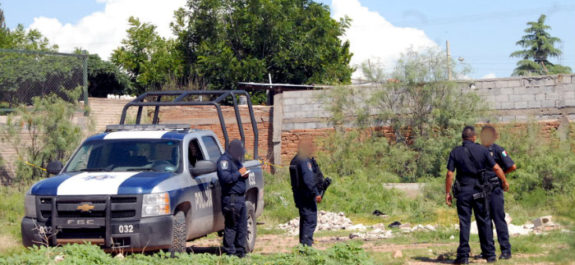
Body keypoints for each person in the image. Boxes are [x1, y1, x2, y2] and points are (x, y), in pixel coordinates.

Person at [445, 126, 510, 264]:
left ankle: (463, 256)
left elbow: (450, 174)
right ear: (474, 137)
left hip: (463, 192)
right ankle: (490, 255)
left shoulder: (455, 152)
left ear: (462, 138)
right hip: (480, 191)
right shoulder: (482, 150)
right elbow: (497, 168)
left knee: (464, 223)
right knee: (484, 221)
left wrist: (447, 193)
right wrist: (504, 181)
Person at [476, 125, 516, 260]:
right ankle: (487, 251)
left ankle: (505, 251)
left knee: (498, 219)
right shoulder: (477, 150)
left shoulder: (498, 150)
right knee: (484, 221)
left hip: (494, 189)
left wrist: (501, 176)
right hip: (481, 189)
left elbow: (512, 166)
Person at [217, 139, 250, 257]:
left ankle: (240, 252)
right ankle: (230, 252)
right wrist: (239, 173)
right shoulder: (224, 161)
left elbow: (241, 173)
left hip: (240, 198)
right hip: (231, 199)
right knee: (232, 227)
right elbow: (226, 178)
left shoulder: (236, 161)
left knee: (242, 227)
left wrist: (245, 174)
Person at [289, 137, 322, 247]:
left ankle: (303, 247)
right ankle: (306, 249)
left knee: (305, 222)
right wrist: (316, 193)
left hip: (300, 196)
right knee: (310, 222)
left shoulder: (295, 159)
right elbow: (308, 180)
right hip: (306, 196)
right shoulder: (303, 160)